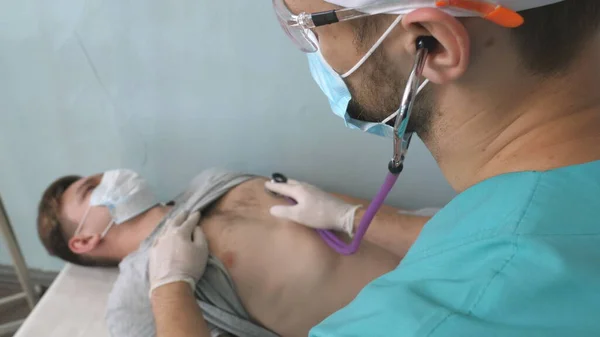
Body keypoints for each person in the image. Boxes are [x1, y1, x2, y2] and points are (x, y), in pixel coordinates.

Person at [151, 0, 600, 336]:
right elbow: (495, 243)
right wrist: (350, 217)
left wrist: (169, 290)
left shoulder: (421, 322)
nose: (313, 51)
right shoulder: (529, 217)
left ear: (433, 45)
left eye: (310, 28)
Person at [37, 168, 431, 337]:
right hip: (414, 325)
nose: (110, 178)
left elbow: (376, 215)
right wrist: (171, 287)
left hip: (434, 247)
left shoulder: (213, 179)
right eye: (91, 190)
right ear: (84, 241)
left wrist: (345, 216)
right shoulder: (137, 296)